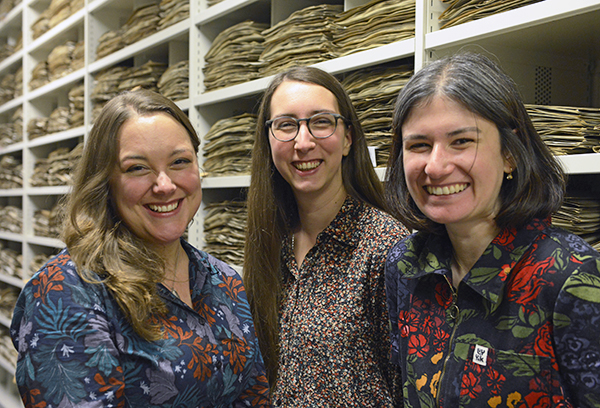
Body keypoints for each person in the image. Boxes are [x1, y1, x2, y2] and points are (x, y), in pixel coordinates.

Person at [10, 89, 271, 407]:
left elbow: (255, 394)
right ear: (105, 181)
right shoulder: (69, 289)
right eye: (137, 168)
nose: (165, 185)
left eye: (179, 162)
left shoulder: (224, 280)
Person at [384, 51, 600, 408]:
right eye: (419, 145)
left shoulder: (569, 276)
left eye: (462, 141)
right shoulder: (406, 265)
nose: (435, 167)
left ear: (510, 154)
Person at [243, 66, 409, 407]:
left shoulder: (384, 245)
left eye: (320, 122)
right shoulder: (271, 241)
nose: (303, 143)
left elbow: (408, 385)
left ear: (347, 138)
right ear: (269, 142)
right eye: (286, 125)